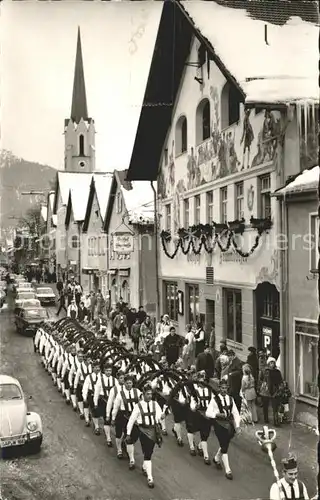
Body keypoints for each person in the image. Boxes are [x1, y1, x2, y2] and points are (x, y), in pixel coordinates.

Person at [126, 384, 163, 488]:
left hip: (153, 431)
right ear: (143, 394)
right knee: (147, 454)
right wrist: (128, 433)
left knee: (150, 451)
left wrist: (162, 416)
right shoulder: (138, 406)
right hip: (143, 431)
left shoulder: (155, 404)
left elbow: (159, 416)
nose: (150, 396)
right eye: (147, 394)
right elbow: (131, 420)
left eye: (151, 394)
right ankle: (150, 477)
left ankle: (144, 466)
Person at [206, 378, 241, 480]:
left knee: (225, 444)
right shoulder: (214, 399)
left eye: (226, 388)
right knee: (224, 446)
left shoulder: (230, 399)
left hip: (229, 425)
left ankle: (217, 458)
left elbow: (235, 413)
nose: (224, 390)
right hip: (219, 424)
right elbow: (208, 412)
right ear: (219, 388)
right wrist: (216, 414)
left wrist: (237, 426)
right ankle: (228, 470)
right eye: (222, 388)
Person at [111, 374, 142, 460]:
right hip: (122, 416)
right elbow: (116, 407)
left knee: (134, 434)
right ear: (124, 383)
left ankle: (127, 445)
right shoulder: (120, 394)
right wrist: (113, 418)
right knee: (119, 434)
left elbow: (143, 400)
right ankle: (119, 450)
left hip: (133, 416)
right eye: (127, 383)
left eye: (130, 383)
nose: (129, 385)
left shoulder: (137, 391)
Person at [94, 362, 120, 444]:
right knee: (106, 419)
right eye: (107, 370)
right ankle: (108, 438)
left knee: (114, 419)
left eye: (110, 370)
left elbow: (118, 391)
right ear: (104, 371)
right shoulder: (100, 380)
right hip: (103, 401)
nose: (109, 372)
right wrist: (95, 403)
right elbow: (96, 392)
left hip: (112, 402)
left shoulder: (115, 380)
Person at [259, 356, 283, 426]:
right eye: (271, 362)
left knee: (275, 406)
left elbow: (280, 380)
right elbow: (260, 379)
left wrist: (280, 387)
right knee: (265, 405)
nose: (272, 364)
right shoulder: (264, 371)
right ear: (268, 363)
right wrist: (262, 386)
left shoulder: (277, 371)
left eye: (273, 362)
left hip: (275, 390)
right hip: (266, 390)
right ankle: (266, 419)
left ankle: (276, 421)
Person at [82, 360, 100, 430]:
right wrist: (84, 397)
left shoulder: (102, 376)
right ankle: (95, 426)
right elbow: (85, 388)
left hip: (99, 396)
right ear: (93, 368)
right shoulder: (89, 377)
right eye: (96, 367)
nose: (97, 369)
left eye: (98, 367)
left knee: (97, 411)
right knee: (92, 409)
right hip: (91, 394)